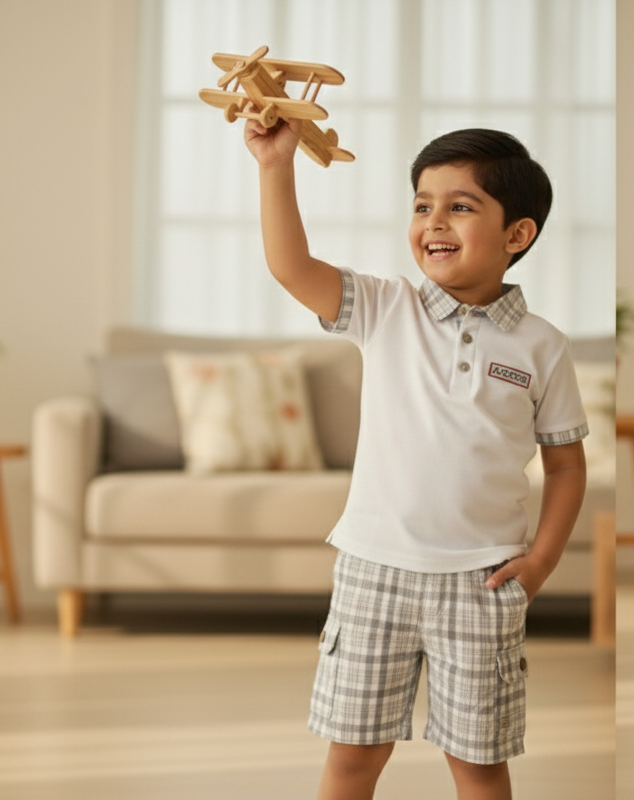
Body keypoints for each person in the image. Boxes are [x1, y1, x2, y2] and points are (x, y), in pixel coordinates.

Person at [242, 119, 589, 800]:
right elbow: (290, 267)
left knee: (480, 767)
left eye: (460, 206)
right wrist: (275, 165)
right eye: (423, 205)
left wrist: (541, 560)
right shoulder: (383, 307)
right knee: (352, 760)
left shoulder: (544, 347)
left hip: (482, 583)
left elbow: (567, 466)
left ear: (517, 235)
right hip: (376, 572)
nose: (435, 220)